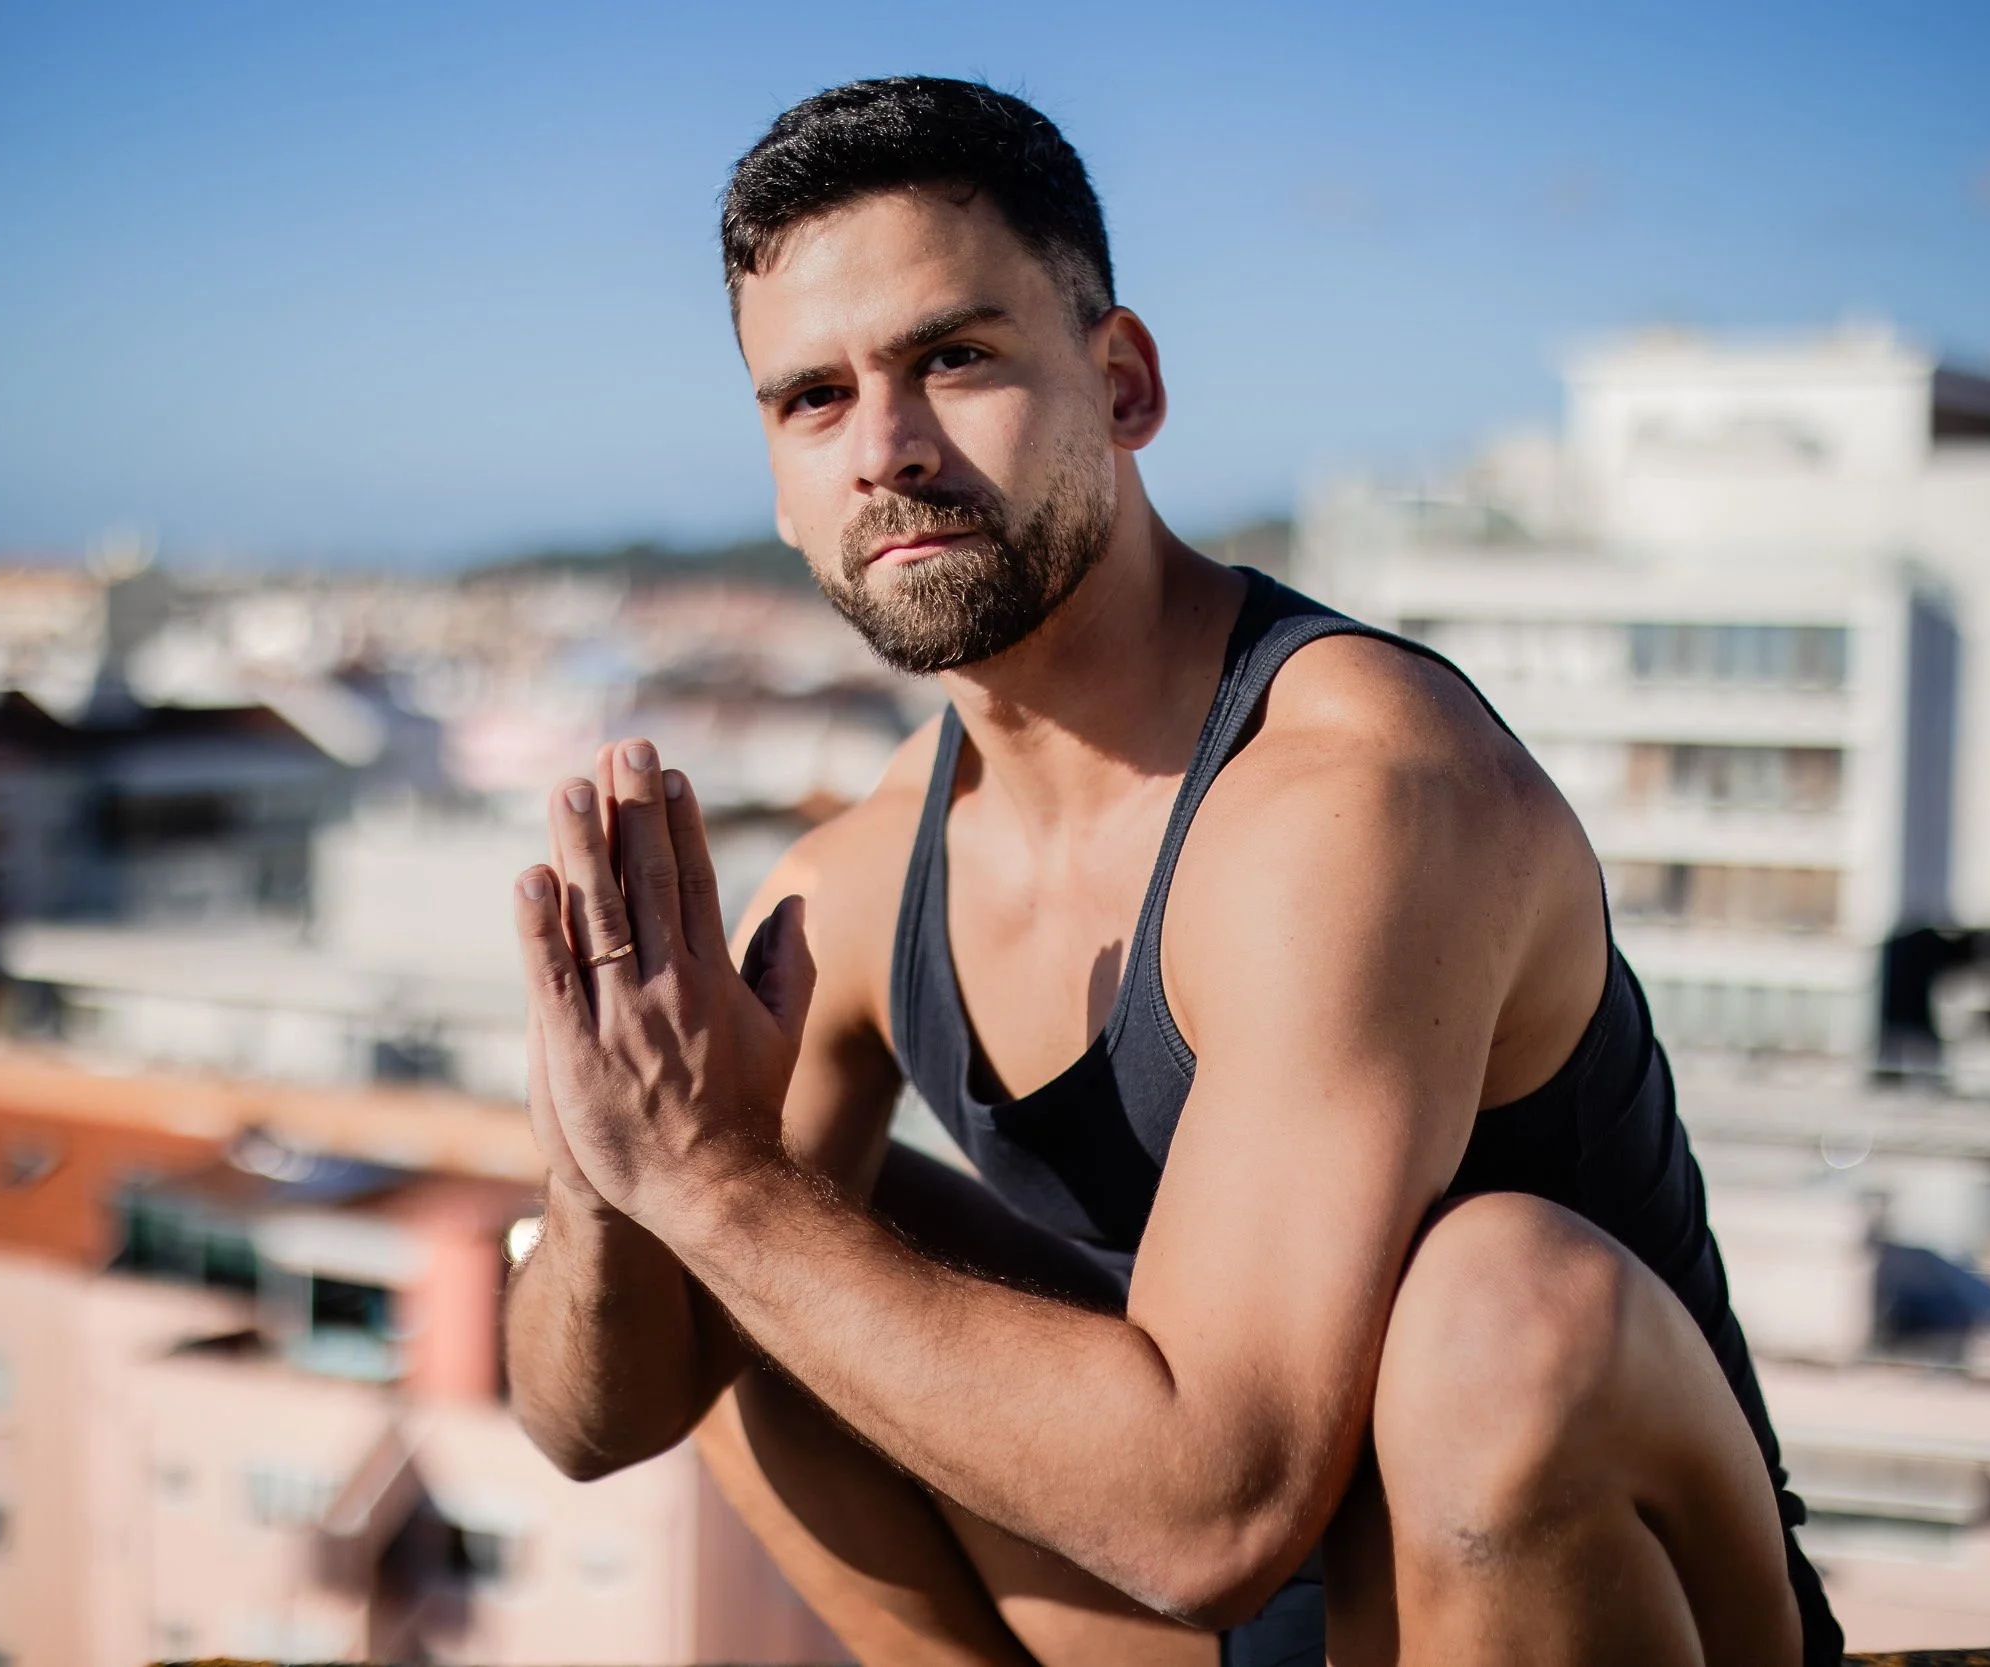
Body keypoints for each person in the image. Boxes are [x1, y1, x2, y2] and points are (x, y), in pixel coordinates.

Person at [501, 76, 1843, 1667]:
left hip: (1549, 1601)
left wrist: (712, 1182)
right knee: (771, 1276)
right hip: (1207, 1615)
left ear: (1123, 382)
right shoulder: (862, 881)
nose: (887, 449)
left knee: (1500, 1310)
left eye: (955, 357)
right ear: (781, 486)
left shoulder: (1350, 796)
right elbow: (599, 1420)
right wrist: (615, 1170)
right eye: (813, 399)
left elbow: (1216, 1510)